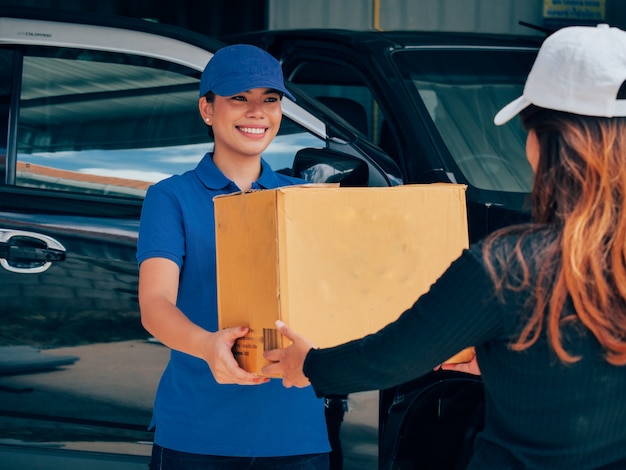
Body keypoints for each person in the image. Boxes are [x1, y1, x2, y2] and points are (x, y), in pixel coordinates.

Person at [263, 24, 626, 469]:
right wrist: (504, 363)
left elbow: (390, 358)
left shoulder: (506, 267)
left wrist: (309, 366)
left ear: (540, 141)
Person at [137, 44, 330, 469]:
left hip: (296, 433)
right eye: (239, 98)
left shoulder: (303, 199)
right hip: (197, 433)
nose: (257, 111)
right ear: (207, 109)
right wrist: (207, 346)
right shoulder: (172, 197)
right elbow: (154, 305)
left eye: (270, 99)